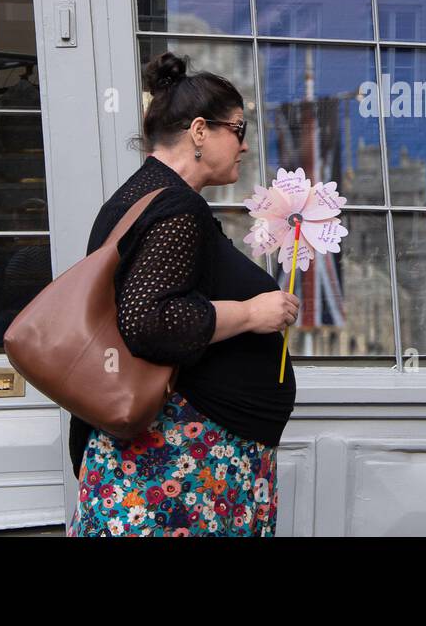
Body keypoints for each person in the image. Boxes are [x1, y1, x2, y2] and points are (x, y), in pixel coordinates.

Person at [67, 52, 300, 537]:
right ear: (199, 131)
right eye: (238, 129)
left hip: (182, 460)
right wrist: (252, 312)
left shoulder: (143, 198)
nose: (244, 145)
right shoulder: (174, 206)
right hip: (177, 464)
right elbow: (152, 322)